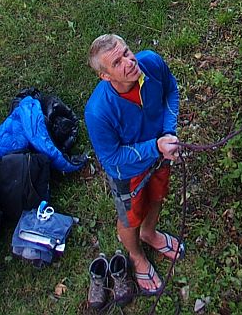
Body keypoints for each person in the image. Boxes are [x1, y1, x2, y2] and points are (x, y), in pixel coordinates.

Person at [84, 34, 183, 297]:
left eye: (127, 52)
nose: (129, 62)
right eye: (117, 62)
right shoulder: (98, 111)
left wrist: (168, 132)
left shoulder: (150, 62)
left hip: (160, 153)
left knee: (159, 196)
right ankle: (136, 256)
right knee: (130, 219)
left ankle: (150, 233)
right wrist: (155, 146)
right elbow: (111, 157)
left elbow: (171, 90)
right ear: (106, 76)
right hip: (128, 173)